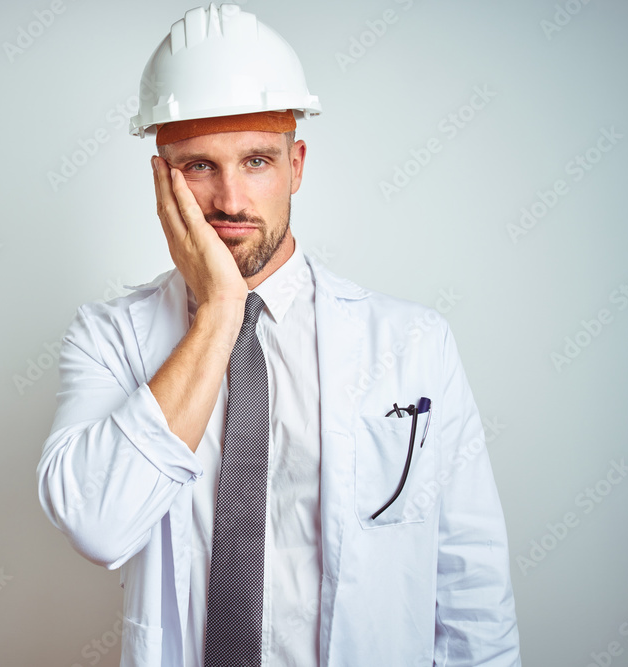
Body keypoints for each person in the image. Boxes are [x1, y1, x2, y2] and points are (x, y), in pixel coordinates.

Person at [37, 4, 521, 666]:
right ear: (162, 177)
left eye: (256, 161)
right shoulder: (109, 338)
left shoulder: (414, 344)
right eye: (199, 167)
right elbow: (98, 523)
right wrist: (219, 314)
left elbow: (472, 592)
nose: (231, 199)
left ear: (296, 165)